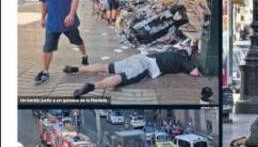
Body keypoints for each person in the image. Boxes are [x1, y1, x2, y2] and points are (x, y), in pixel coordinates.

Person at [35, 0, 89, 85]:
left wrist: (71, 14)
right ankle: (45, 72)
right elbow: (44, 2)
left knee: (77, 40)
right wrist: (42, 17)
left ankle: (84, 55)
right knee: (48, 47)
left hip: (67, 22)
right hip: (52, 22)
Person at [66, 49, 201, 98]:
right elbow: (195, 73)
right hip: (144, 66)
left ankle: (77, 69)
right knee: (121, 78)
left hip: (139, 57)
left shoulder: (169, 53)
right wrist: (190, 66)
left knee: (107, 67)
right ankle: (92, 87)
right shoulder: (182, 59)